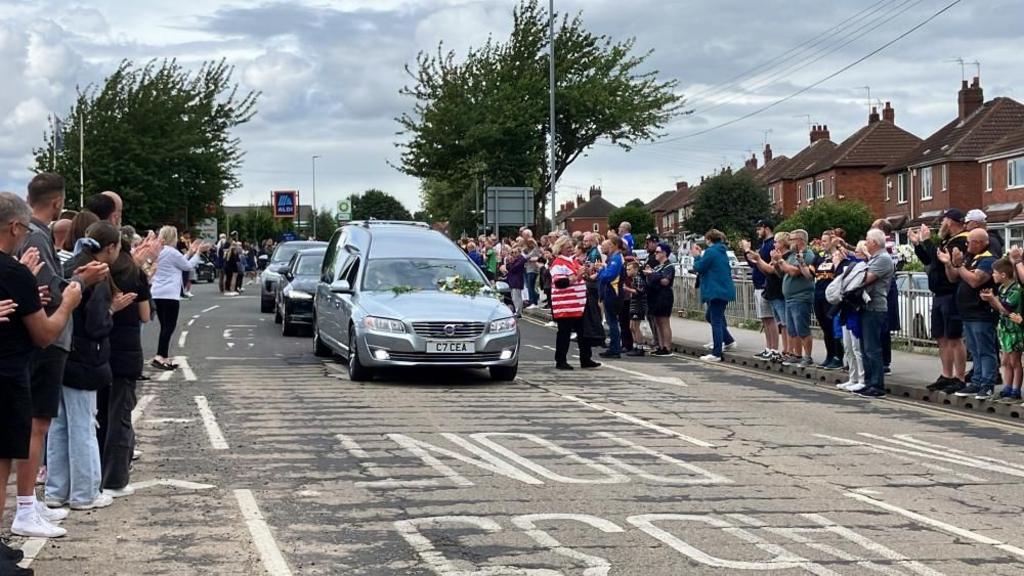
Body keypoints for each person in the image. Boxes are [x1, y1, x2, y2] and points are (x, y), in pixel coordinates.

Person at [12, 175, 107, 540]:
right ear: (56, 204)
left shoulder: (35, 233)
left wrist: (73, 276)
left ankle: (29, 503)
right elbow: (52, 292)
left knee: (43, 423)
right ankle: (24, 505)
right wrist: (84, 282)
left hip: (46, 339)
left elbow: (50, 281)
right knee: (38, 424)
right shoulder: (37, 235)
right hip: (47, 340)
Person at [0, 192, 82, 568]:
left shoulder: (18, 274)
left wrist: (28, 284)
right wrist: (67, 304)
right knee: (2, 459)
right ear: (15, 226)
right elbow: (45, 333)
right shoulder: (11, 271)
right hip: (7, 377)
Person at [47, 222, 136, 514]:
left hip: (59, 352)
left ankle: (56, 491)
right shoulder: (98, 276)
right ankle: (85, 493)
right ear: (109, 248)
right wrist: (111, 311)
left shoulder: (69, 264)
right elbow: (97, 325)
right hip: (86, 357)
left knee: (59, 426)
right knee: (84, 426)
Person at [98, 228, 152, 496]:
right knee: (120, 416)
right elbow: (144, 316)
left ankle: (95, 474)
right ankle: (115, 479)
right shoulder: (135, 274)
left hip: (100, 350)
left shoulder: (99, 273)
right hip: (127, 351)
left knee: (99, 416)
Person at [911, 209, 969, 393]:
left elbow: (941, 261)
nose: (941, 223)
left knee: (954, 338)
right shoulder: (947, 240)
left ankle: (959, 377)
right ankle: (946, 375)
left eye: (944, 220)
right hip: (939, 294)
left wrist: (927, 240)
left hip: (951, 294)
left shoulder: (961, 241)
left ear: (951, 222)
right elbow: (930, 260)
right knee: (941, 337)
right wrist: (919, 245)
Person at [940, 229, 999, 399]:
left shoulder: (988, 260)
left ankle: (987, 384)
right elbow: (953, 278)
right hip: (967, 312)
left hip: (982, 312)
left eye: (970, 242)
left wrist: (959, 266)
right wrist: (949, 263)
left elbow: (975, 281)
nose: (966, 245)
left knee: (985, 349)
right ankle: (977, 381)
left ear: (981, 243)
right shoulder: (969, 258)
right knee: (975, 349)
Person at [150, 226, 208, 370]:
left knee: (164, 326)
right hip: (170, 294)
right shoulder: (172, 252)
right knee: (169, 326)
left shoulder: (161, 251)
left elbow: (179, 261)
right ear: (173, 237)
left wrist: (190, 252)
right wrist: (198, 253)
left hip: (157, 292)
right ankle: (160, 356)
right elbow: (187, 266)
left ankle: (163, 356)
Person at [854, 228, 895, 397]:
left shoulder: (883, 259)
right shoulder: (875, 258)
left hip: (875, 306)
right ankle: (869, 382)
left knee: (872, 348)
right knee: (865, 347)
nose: (866, 243)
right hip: (865, 306)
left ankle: (877, 385)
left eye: (868, 240)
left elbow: (864, 278)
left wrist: (854, 275)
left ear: (875, 243)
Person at [550, 237, 600, 370]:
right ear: (560, 248)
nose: (571, 249)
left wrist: (588, 271)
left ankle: (586, 359)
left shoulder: (573, 261)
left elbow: (582, 276)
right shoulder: (558, 264)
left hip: (578, 304)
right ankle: (560, 361)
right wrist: (577, 276)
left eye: (571, 246)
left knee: (583, 333)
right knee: (564, 333)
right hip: (565, 305)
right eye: (568, 247)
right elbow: (560, 283)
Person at [980, 258, 1023, 403]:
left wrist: (993, 299)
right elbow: (999, 308)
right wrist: (991, 300)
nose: (993, 275)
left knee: (1015, 361)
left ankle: (1016, 391)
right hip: (1004, 328)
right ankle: (1007, 388)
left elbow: (1006, 310)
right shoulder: (1001, 288)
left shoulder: (1016, 289)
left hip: (1015, 329)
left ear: (1003, 275)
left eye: (995, 273)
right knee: (1005, 361)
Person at [828, 241, 868, 391]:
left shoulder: (864, 265)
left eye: (858, 252)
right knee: (848, 347)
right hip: (845, 308)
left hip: (855, 309)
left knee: (857, 348)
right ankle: (853, 378)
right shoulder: (851, 265)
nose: (855, 254)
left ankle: (862, 379)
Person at [776, 229, 816, 368]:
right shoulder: (792, 255)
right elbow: (783, 271)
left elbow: (794, 272)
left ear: (801, 240)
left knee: (802, 328)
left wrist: (781, 261)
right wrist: (778, 262)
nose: (790, 242)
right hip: (789, 297)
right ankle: (796, 355)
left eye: (793, 239)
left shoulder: (807, 254)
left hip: (801, 296)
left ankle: (807, 356)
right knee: (792, 329)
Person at [692, 231, 735, 362]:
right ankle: (728, 340)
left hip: (716, 290)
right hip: (722, 289)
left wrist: (697, 256)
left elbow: (700, 267)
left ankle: (717, 352)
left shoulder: (711, 252)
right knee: (711, 316)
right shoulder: (721, 251)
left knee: (715, 319)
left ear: (709, 239)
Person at [741, 220, 779, 359]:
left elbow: (762, 263)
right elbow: (754, 264)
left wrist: (747, 250)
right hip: (758, 285)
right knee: (764, 319)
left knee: (770, 318)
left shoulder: (771, 245)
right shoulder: (763, 244)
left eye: (759, 229)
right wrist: (746, 252)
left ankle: (774, 349)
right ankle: (768, 347)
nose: (757, 232)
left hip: (765, 285)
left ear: (766, 228)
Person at [596, 238, 625, 358]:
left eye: (610, 245)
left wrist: (601, 270)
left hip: (613, 293)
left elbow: (608, 276)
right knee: (611, 321)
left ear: (616, 246)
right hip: (609, 292)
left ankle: (615, 349)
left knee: (612, 322)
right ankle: (614, 347)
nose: (608, 247)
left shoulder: (616, 259)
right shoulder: (613, 258)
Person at [646, 242, 677, 356]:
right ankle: (661, 345)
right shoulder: (658, 267)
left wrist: (653, 275)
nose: (656, 254)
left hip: (664, 296)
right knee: (657, 321)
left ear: (664, 253)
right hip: (655, 295)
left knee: (664, 322)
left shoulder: (669, 266)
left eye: (658, 252)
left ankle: (667, 347)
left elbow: (665, 281)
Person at [624, 261, 648, 356]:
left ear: (635, 269)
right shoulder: (633, 279)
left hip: (638, 305)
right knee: (631, 327)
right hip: (633, 305)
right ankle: (635, 345)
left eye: (629, 269)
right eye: (627, 269)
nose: (627, 271)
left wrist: (627, 289)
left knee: (636, 327)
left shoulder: (638, 279)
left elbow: (639, 292)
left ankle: (640, 347)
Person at [522, 238, 542, 308]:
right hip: (528, 269)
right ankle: (532, 300)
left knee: (531, 286)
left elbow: (537, 258)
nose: (528, 245)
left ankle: (533, 301)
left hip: (533, 270)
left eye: (529, 243)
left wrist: (528, 258)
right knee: (529, 286)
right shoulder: (527, 250)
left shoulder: (535, 250)